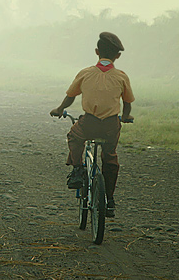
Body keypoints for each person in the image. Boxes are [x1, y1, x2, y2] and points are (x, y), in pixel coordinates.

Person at [50, 31, 135, 218]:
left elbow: (70, 96)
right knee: (110, 157)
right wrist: (126, 116)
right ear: (118, 56)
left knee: (75, 136)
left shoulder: (85, 73)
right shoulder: (121, 76)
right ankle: (109, 200)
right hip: (111, 125)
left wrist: (59, 109)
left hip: (89, 123)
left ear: (97, 52)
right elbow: (127, 102)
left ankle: (78, 170)